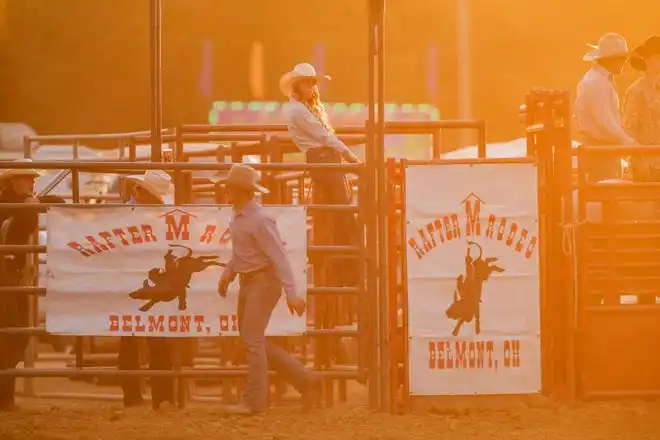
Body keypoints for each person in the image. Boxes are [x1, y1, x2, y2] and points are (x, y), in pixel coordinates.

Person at [215, 163, 319, 415]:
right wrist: (230, 271)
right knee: (252, 341)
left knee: (251, 341)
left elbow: (279, 257)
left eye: (230, 187)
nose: (226, 191)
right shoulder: (242, 217)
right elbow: (247, 252)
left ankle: (255, 401)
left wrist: (292, 294)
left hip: (262, 282)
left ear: (241, 191)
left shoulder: (259, 220)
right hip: (252, 281)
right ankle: (305, 379)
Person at [281, 62, 360, 286]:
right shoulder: (298, 110)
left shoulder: (301, 108)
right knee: (342, 213)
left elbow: (323, 135)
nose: (312, 87)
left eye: (313, 82)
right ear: (297, 85)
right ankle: (349, 267)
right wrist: (349, 155)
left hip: (324, 160)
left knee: (338, 213)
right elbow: (323, 136)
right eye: (308, 82)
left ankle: (345, 268)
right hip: (323, 161)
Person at [0, 159, 64, 411]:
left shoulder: (21, 202)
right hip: (6, 278)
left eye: (33, 179)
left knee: (15, 337)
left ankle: (6, 397)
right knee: (10, 336)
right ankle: (5, 398)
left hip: (14, 278)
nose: (32, 182)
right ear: (14, 181)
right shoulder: (7, 203)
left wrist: (35, 203)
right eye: (28, 178)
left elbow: (53, 204)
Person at [117, 170, 175, 409]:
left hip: (138, 280)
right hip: (141, 280)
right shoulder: (134, 216)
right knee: (145, 337)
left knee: (139, 337)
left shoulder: (120, 215)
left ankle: (148, 396)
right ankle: (152, 396)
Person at [574, 32, 636, 181]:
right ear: (610, 59)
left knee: (608, 190)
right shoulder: (596, 83)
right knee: (607, 191)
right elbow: (605, 122)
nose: (625, 61)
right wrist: (630, 142)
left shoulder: (598, 80)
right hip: (600, 148)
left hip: (603, 147)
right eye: (622, 58)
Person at [623, 36, 660, 182]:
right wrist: (638, 159)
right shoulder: (637, 91)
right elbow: (629, 128)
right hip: (649, 163)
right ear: (648, 60)